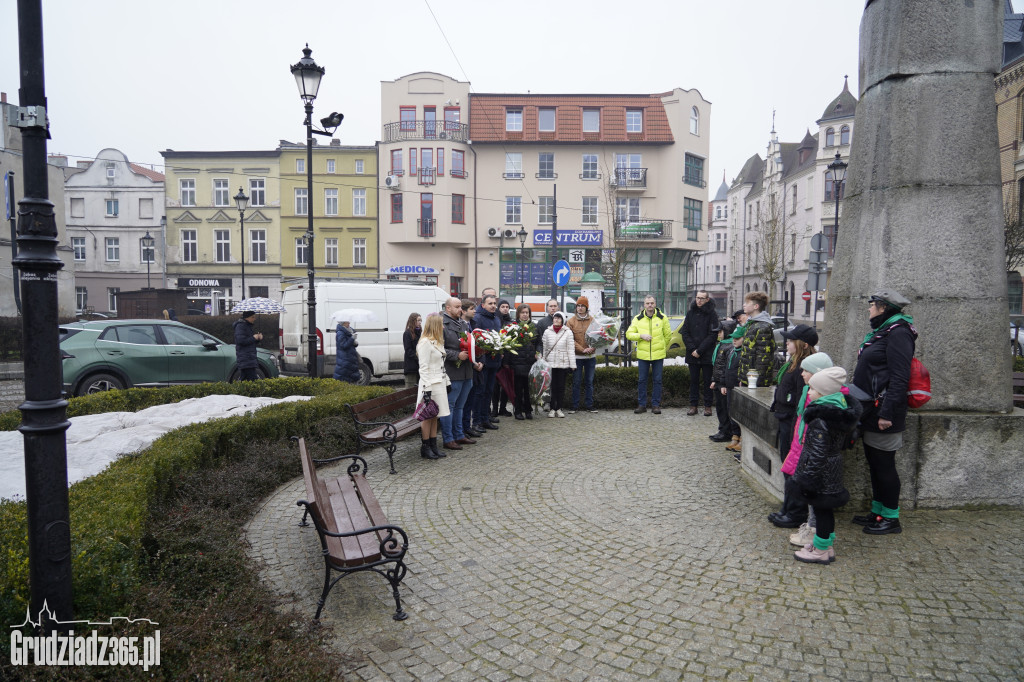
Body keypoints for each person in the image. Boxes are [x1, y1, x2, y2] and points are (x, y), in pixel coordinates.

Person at [851, 289, 917, 535]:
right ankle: (878, 512)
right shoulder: (885, 330)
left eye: (872, 305)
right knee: (875, 463)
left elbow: (900, 378)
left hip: (884, 412)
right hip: (871, 410)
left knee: (885, 465)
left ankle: (891, 518)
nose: (869, 309)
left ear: (883, 307)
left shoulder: (899, 333)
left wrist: (887, 414)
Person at [788, 366, 862, 564]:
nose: (809, 392)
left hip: (821, 473)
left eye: (812, 389)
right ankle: (824, 545)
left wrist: (809, 478)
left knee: (821, 511)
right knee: (825, 511)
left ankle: (820, 550)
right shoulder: (838, 411)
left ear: (822, 392)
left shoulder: (820, 419)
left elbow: (818, 452)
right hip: (832, 469)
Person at [780, 352, 836, 547]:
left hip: (813, 455)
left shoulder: (820, 399)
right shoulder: (810, 393)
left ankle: (814, 534)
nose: (802, 374)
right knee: (811, 495)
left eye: (806, 370)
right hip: (803, 449)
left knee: (816, 497)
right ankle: (812, 529)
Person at [440, 298, 479, 451]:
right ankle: (448, 438)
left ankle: (459, 434)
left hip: (466, 371)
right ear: (448, 308)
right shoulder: (441, 323)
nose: (460, 310)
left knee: (460, 406)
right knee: (449, 406)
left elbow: (471, 344)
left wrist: (476, 359)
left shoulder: (463, 323)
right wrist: (456, 355)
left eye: (461, 307)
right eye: (457, 307)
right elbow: (438, 348)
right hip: (452, 372)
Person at [625, 294, 672, 415]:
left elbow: (668, 336)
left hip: (658, 355)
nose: (650, 305)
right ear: (644, 305)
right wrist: (641, 336)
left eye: (652, 303)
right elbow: (628, 334)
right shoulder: (638, 318)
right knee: (642, 380)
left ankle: (656, 405)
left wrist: (661, 346)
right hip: (643, 356)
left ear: (655, 304)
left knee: (657, 380)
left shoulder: (662, 318)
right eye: (647, 303)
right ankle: (642, 405)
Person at [416, 314, 450, 460]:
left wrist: (447, 381)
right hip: (429, 384)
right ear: (435, 325)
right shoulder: (425, 343)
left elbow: (441, 365)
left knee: (435, 415)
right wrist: (427, 389)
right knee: (427, 416)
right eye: (441, 324)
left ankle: (434, 445)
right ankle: (425, 447)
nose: (443, 327)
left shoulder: (437, 342)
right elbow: (423, 368)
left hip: (439, 382)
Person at [682, 289, 719, 416]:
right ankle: (693, 405)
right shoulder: (690, 313)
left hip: (707, 354)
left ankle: (708, 406)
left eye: (702, 298)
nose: (699, 300)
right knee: (693, 381)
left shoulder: (712, 314)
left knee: (708, 381)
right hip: (692, 354)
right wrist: (693, 349)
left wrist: (700, 350)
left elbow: (712, 335)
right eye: (697, 297)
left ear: (707, 299)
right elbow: (685, 332)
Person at [472, 294, 503, 432]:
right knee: (480, 392)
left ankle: (485, 418)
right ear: (483, 305)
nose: (493, 306)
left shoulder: (496, 319)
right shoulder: (477, 318)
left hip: (494, 361)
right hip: (483, 362)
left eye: (494, 303)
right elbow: (475, 340)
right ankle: (477, 421)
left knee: (489, 391)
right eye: (490, 303)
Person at [738, 291, 778, 388]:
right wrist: (742, 378)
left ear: (756, 306)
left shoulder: (762, 327)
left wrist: (755, 381)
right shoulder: (752, 324)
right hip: (749, 378)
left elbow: (763, 357)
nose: (744, 305)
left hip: (755, 381)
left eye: (747, 303)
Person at [566, 296, 597, 413]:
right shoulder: (571, 321)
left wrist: (594, 347)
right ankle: (575, 406)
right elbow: (569, 339)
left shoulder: (593, 320)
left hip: (590, 357)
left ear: (586, 307)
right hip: (577, 357)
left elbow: (598, 336)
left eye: (582, 306)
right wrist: (582, 349)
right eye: (578, 306)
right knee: (576, 382)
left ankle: (589, 405)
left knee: (589, 382)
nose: (580, 308)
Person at [708, 319, 739, 441]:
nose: (718, 334)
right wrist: (714, 380)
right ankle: (722, 429)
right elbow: (716, 365)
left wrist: (722, 383)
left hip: (724, 384)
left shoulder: (730, 347)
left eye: (720, 331)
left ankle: (726, 431)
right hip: (718, 382)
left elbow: (727, 368)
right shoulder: (721, 345)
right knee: (720, 408)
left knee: (725, 409)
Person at [508, 304, 538, 420]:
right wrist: (508, 362)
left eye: (527, 312)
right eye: (523, 312)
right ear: (518, 314)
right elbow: (508, 345)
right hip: (517, 362)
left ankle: (528, 410)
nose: (525, 315)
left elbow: (538, 342)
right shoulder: (513, 326)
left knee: (529, 388)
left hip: (530, 362)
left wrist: (538, 352)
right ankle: (518, 410)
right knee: (518, 388)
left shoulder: (534, 326)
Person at [542, 312, 575, 417]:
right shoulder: (547, 332)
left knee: (561, 387)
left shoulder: (568, 332)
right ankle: (552, 408)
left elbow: (570, 349)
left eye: (558, 318)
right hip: (550, 364)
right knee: (551, 387)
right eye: (555, 318)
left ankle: (559, 408)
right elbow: (544, 348)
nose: (556, 320)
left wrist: (572, 364)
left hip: (562, 364)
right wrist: (542, 362)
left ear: (563, 320)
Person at [721, 325, 747, 456]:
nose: (734, 341)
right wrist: (723, 384)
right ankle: (735, 436)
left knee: (739, 413)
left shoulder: (744, 353)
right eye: (733, 338)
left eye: (737, 339)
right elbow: (726, 368)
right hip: (730, 386)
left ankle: (742, 439)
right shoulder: (731, 351)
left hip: (738, 388)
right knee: (731, 412)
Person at [460, 300, 484, 439]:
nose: (474, 311)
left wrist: (481, 362)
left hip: (476, 367)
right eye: (471, 309)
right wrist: (473, 363)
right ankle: (462, 428)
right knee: (464, 401)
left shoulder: (474, 325)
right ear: (463, 311)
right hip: (466, 368)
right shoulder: (460, 326)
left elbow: (480, 346)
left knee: (472, 398)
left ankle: (467, 427)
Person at [491, 299, 514, 418]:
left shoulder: (510, 322)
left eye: (507, 306)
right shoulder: (495, 320)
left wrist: (507, 360)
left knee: (505, 384)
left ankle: (503, 408)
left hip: (507, 357)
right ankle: (494, 408)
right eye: (503, 306)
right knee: (495, 386)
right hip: (496, 357)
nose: (505, 308)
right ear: (499, 308)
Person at [233, 310, 263, 381]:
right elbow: (241, 341)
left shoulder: (247, 326)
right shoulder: (241, 326)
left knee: (245, 379)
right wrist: (254, 337)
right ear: (247, 318)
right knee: (253, 380)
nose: (254, 319)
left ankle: (238, 391)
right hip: (246, 358)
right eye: (252, 317)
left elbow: (250, 342)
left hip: (248, 359)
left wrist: (258, 339)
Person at [332, 316, 361, 383]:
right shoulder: (340, 333)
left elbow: (349, 344)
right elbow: (343, 345)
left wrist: (354, 343)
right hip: (345, 359)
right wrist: (352, 339)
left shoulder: (348, 331)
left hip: (349, 359)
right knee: (344, 378)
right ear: (343, 323)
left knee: (350, 378)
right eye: (347, 322)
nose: (349, 323)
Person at [403, 313, 422, 389]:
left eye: (421, 320)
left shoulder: (419, 332)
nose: (420, 322)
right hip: (411, 367)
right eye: (418, 320)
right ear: (413, 321)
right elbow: (408, 350)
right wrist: (418, 357)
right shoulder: (407, 333)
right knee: (410, 390)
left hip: (419, 367)